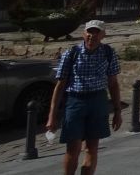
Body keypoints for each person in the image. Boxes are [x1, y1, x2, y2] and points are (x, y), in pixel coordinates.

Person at [46, 20, 122, 175]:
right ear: (83, 33)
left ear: (103, 35)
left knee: (92, 148)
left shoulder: (108, 52)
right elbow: (60, 86)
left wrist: (117, 111)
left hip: (98, 100)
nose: (92, 36)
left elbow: (113, 84)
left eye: (96, 32)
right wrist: (52, 116)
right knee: (73, 148)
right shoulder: (71, 53)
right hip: (76, 101)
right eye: (89, 31)